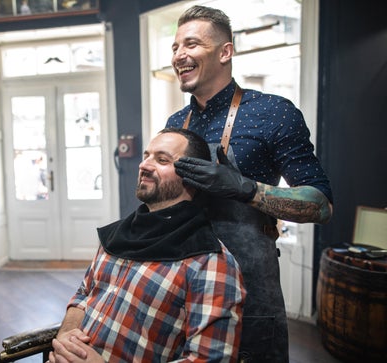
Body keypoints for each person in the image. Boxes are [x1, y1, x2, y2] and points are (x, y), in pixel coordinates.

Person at [167, 5, 334, 362]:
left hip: (250, 289)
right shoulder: (176, 123)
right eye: (175, 47)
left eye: (191, 44)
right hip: (187, 285)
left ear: (225, 51)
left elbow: (321, 204)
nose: (179, 55)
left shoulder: (273, 112)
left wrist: (246, 189)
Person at [48, 128, 246, 363]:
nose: (144, 165)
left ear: (193, 176)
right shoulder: (116, 236)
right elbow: (84, 295)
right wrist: (66, 340)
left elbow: (210, 359)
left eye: (162, 160)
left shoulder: (211, 263)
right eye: (146, 156)